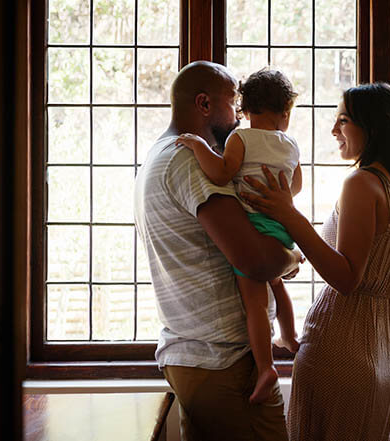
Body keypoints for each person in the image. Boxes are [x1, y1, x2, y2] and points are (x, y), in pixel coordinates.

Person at [241, 82, 390, 441]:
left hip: (337, 351)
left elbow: (347, 278)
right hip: (385, 360)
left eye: (344, 121)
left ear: (373, 126)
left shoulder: (362, 184)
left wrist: (289, 216)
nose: (334, 130)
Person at [133, 61, 301, 441]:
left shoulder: (158, 156)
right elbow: (254, 260)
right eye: (233, 103)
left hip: (194, 355)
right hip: (224, 363)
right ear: (204, 104)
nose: (240, 115)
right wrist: (292, 257)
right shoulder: (190, 159)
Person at [174, 68, 303, 404]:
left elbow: (220, 172)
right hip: (282, 227)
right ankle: (289, 336)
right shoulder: (291, 145)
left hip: (255, 227)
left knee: (255, 305)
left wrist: (199, 146)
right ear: (285, 112)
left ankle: (265, 368)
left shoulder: (240, 138)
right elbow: (295, 186)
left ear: (244, 111)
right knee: (277, 283)